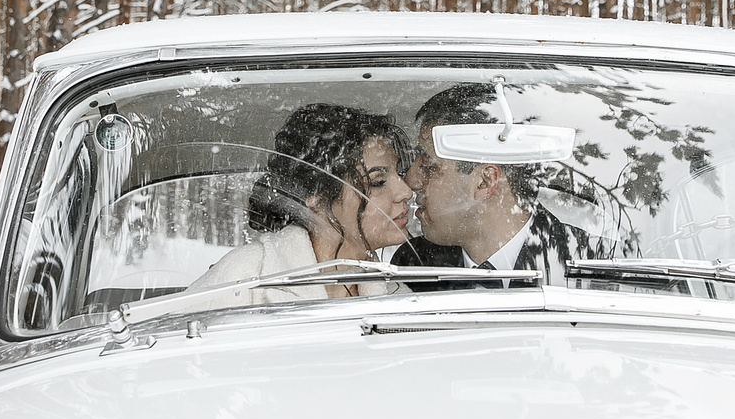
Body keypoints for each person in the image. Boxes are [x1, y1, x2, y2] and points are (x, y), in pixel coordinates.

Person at [182, 104, 413, 306]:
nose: (406, 192)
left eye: (400, 174)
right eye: (378, 182)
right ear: (317, 200)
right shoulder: (244, 277)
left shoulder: (394, 294)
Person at [394, 82, 588, 286]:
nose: (410, 181)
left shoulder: (586, 263)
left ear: (485, 182)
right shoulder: (414, 264)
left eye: (427, 165)